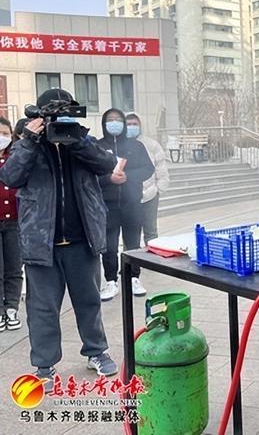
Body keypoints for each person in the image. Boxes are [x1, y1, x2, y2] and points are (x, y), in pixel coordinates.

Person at [0, 89, 120, 390]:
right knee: (42, 308)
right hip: (41, 243)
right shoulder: (26, 146)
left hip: (82, 240)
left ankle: (96, 352)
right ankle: (44, 365)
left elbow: (106, 164)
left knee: (89, 301)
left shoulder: (81, 141)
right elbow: (10, 177)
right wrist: (29, 140)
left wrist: (76, 139)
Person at [97, 109, 154, 301]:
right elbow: (91, 174)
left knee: (132, 242)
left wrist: (129, 177)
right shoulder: (98, 146)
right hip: (107, 204)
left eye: (118, 120)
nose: (114, 123)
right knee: (109, 244)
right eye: (110, 120)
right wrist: (109, 179)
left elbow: (148, 168)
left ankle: (133, 277)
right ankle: (111, 280)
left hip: (132, 203)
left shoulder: (135, 146)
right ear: (104, 123)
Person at [125, 113, 169, 245]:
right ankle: (131, 265)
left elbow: (161, 169)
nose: (131, 127)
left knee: (151, 233)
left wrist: (157, 190)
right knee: (131, 235)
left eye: (134, 124)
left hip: (150, 195)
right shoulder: (121, 145)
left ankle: (152, 264)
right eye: (128, 124)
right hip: (128, 198)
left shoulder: (152, 145)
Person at [0, 117, 23, 332]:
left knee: (14, 267)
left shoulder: (16, 158)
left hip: (15, 221)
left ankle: (11, 307)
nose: (2, 138)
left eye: (5, 134)